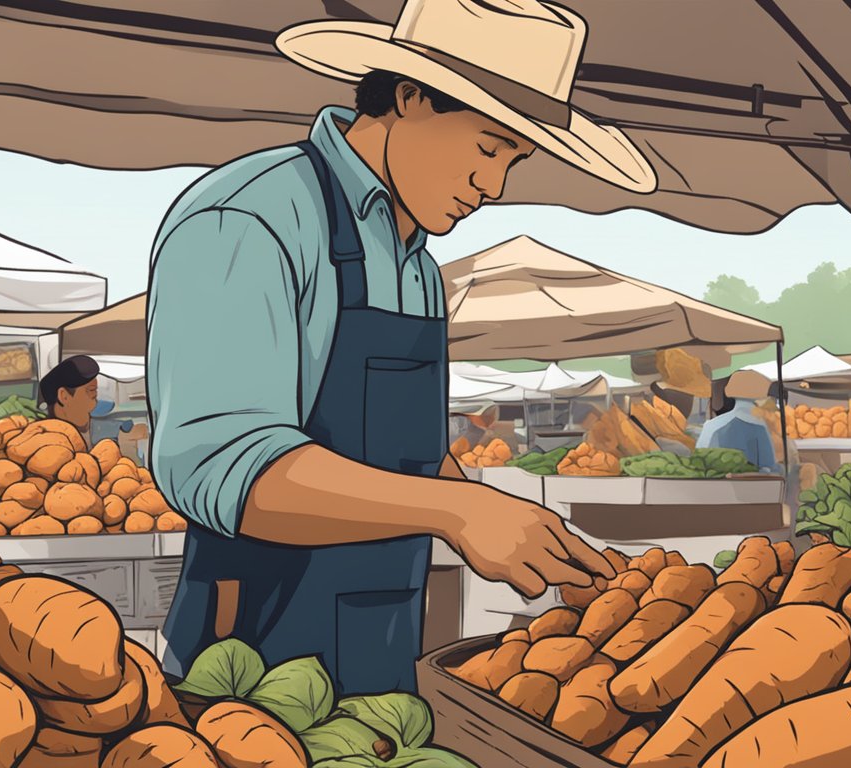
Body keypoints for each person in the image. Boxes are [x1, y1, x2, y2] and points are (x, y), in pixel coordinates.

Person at [148, 0, 657, 695]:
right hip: (247, 666)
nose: (492, 187)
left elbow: (401, 452)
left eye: (514, 160)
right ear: (409, 96)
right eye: (486, 148)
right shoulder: (248, 217)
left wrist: (523, 532)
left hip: (382, 656)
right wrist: (459, 512)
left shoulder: (414, 260)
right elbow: (225, 465)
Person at [696, 371, 778, 473]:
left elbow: (697, 462)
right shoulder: (760, 428)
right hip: (749, 486)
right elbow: (769, 467)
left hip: (712, 484)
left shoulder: (711, 426)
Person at [39, 355, 100, 442]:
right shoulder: (50, 440)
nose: (96, 396)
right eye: (91, 390)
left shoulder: (96, 426)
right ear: (64, 396)